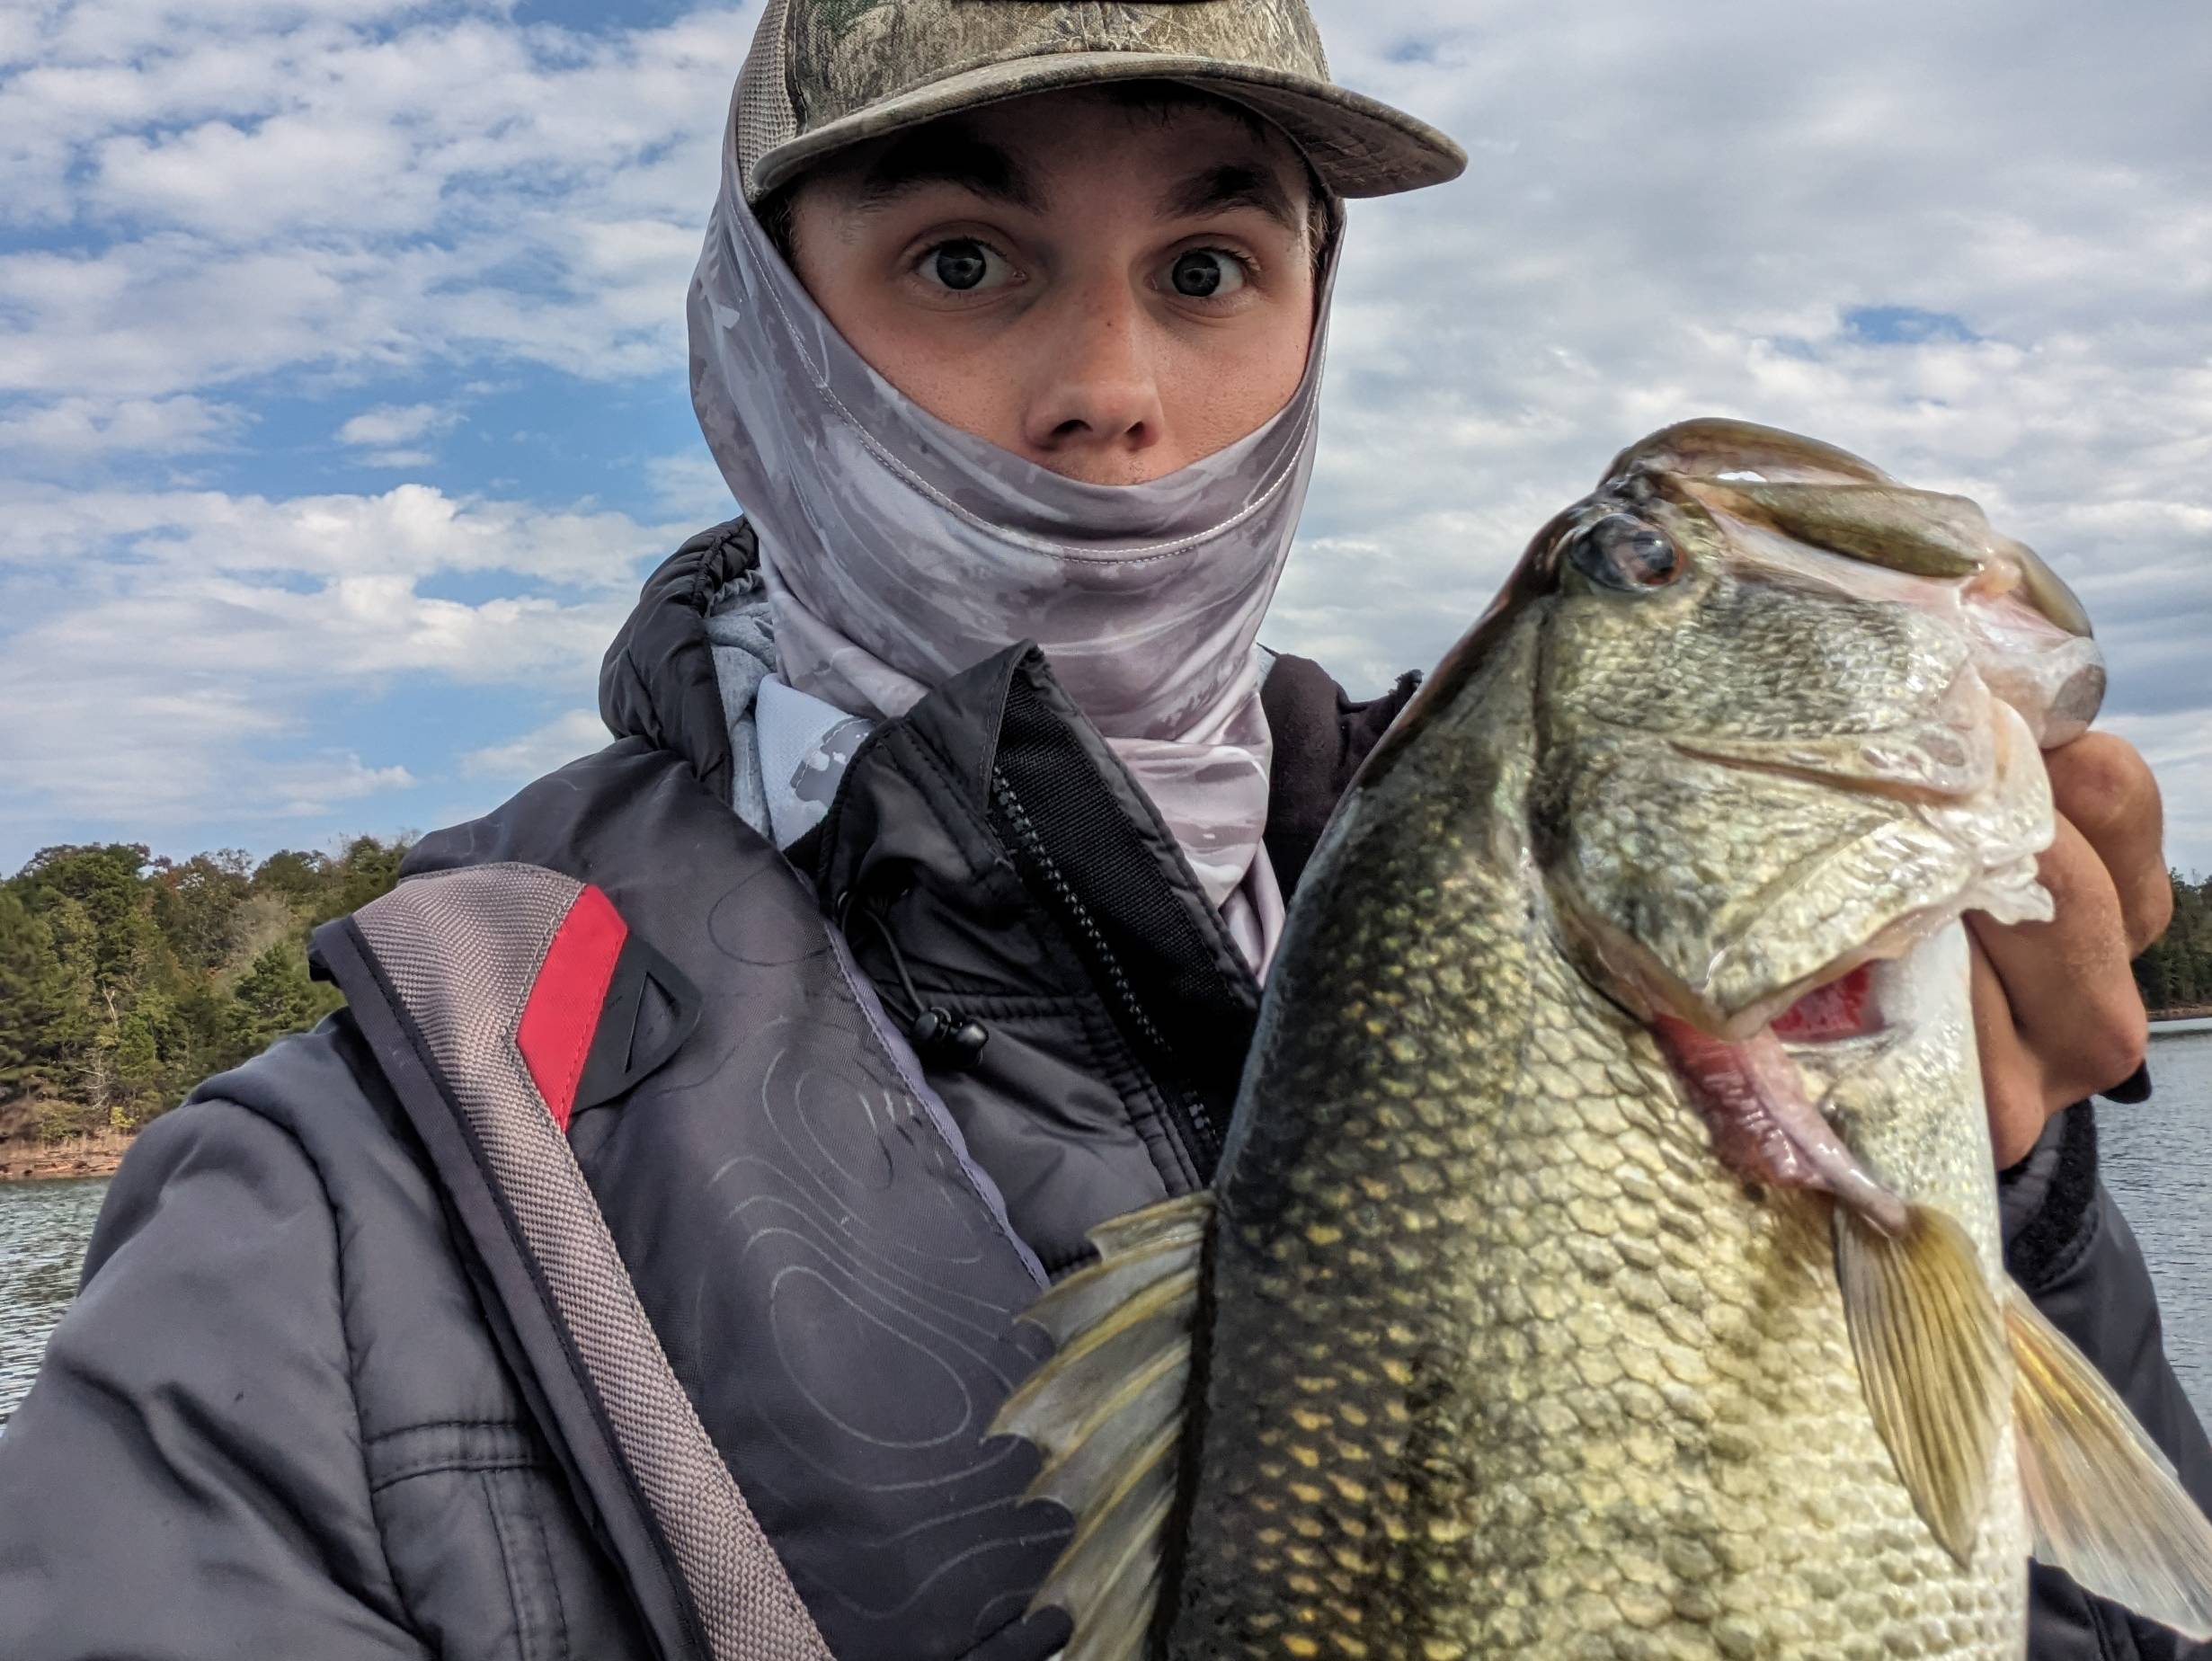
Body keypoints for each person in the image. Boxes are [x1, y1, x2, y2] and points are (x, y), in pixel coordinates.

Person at [0, 3, 2199, 1657]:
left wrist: (2013, 1204)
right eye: (965, 262)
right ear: (753, 342)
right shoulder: (333, 1207)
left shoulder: (1583, 911)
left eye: (1213, 267)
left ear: (1316, 322)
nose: (1112, 393)